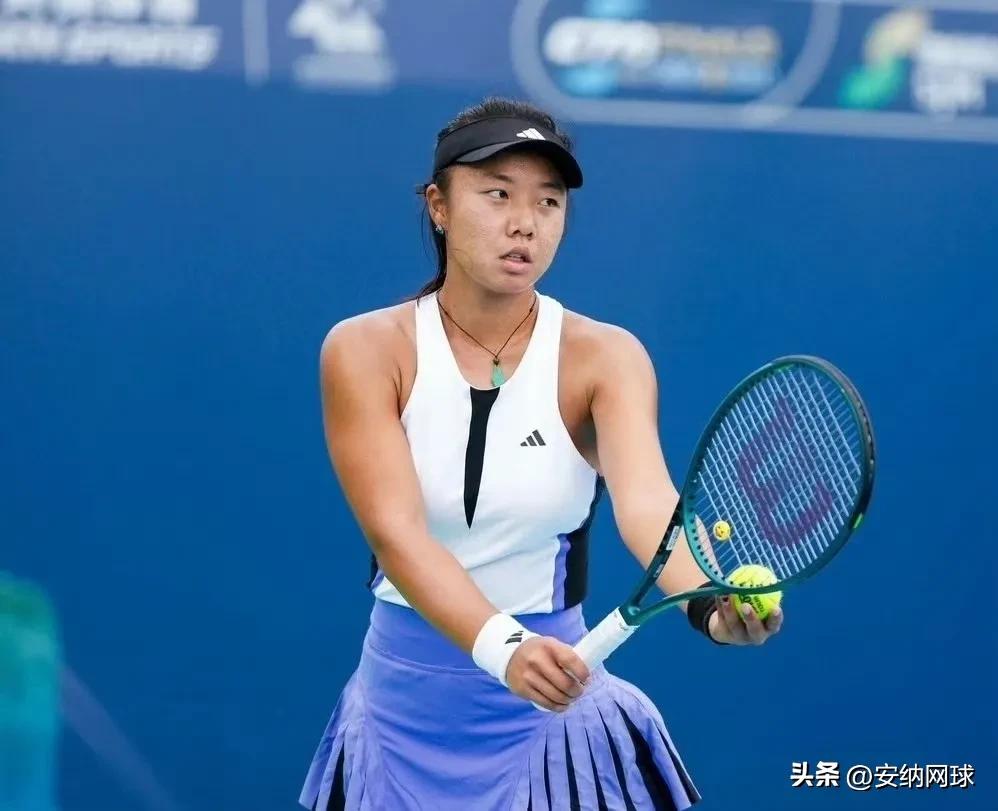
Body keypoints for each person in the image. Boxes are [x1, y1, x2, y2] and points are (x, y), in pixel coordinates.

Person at [299, 97, 783, 811]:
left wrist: (709, 601)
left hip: (554, 713)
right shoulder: (365, 349)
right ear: (438, 206)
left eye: (548, 202)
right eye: (498, 195)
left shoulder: (606, 356)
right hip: (401, 716)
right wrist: (504, 648)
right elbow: (397, 533)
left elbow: (649, 504)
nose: (525, 222)